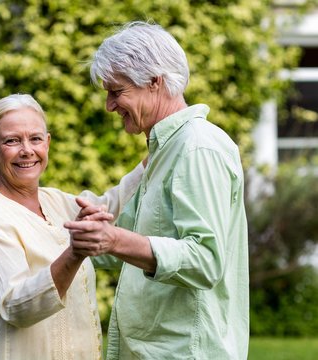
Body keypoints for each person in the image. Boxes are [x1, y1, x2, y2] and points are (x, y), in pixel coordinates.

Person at [65, 21, 249, 359]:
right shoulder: (165, 151)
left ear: (154, 81)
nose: (109, 105)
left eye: (116, 91)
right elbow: (126, 242)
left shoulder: (197, 147)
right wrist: (88, 234)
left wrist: (114, 239)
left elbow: (206, 260)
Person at [0, 94, 145, 359]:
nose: (27, 150)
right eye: (12, 140)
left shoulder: (55, 201)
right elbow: (17, 306)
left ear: (47, 143)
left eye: (35, 139)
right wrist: (74, 253)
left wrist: (158, 153)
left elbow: (111, 207)